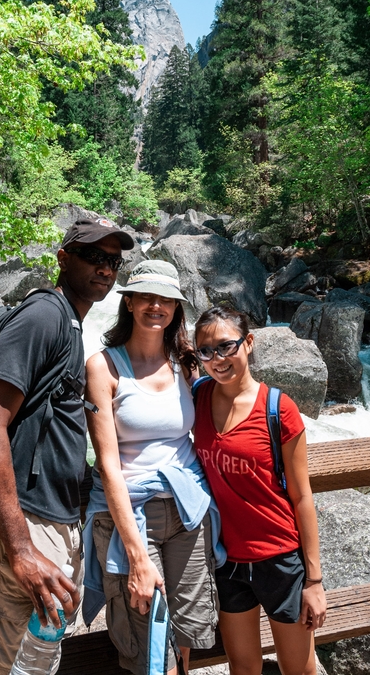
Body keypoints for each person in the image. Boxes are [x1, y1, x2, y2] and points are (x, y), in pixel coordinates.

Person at [0, 217, 134, 675]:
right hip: (16, 532)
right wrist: (20, 550)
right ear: (63, 258)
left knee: (34, 662)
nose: (105, 270)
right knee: (7, 665)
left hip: (46, 523)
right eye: (94, 257)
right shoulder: (43, 317)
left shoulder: (69, 324)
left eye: (113, 262)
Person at [83, 260, 225, 675]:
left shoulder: (185, 361)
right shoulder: (103, 366)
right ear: (129, 303)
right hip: (130, 513)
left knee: (186, 631)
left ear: (177, 308)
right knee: (145, 635)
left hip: (187, 510)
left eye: (166, 299)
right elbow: (108, 465)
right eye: (146, 296)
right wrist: (137, 556)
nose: (156, 306)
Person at [192, 305, 327, 675]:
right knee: (243, 667)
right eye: (205, 351)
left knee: (298, 668)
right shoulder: (198, 397)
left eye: (225, 346)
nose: (217, 359)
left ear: (248, 343)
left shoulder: (278, 409)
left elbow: (302, 496)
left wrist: (313, 581)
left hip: (280, 560)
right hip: (228, 560)